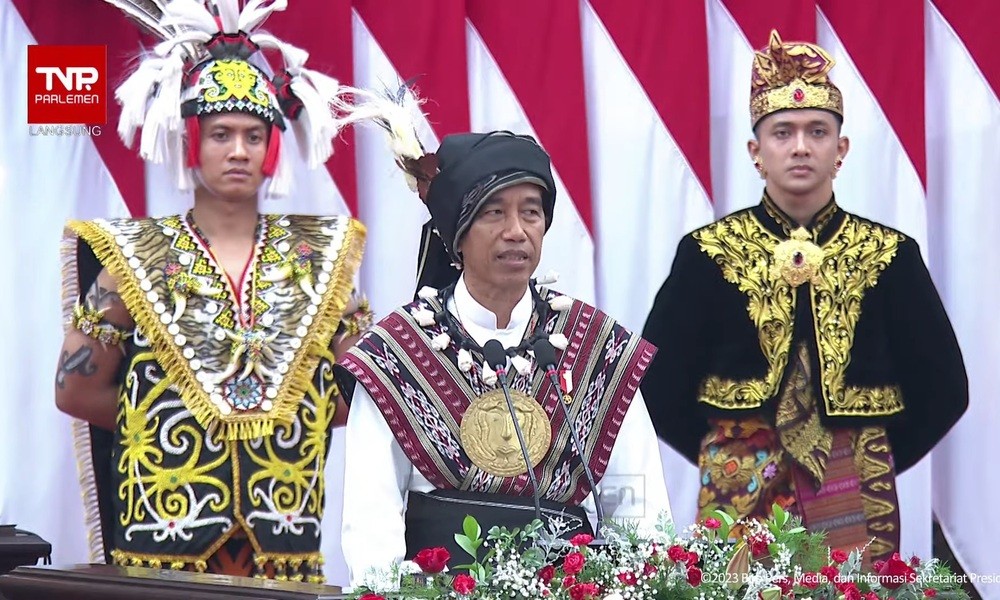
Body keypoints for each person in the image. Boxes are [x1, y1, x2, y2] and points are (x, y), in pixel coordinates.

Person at [54, 0, 371, 581]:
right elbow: (75, 389)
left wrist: (281, 418)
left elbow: (361, 394)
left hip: (284, 543)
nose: (239, 151)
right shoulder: (131, 256)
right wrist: (168, 427)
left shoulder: (321, 258)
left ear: (273, 147)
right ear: (191, 141)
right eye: (221, 134)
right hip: (163, 541)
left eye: (254, 135)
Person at [641, 30, 968, 562]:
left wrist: (877, 457)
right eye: (782, 132)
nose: (800, 147)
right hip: (739, 473)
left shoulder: (888, 254)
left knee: (855, 593)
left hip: (856, 477)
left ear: (841, 149)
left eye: (817, 131)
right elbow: (655, 379)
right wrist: (720, 449)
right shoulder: (709, 253)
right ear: (756, 152)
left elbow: (945, 386)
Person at [337, 128, 671, 583]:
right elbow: (372, 523)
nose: (516, 231)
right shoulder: (396, 354)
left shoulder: (596, 349)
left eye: (531, 211)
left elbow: (639, 513)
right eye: (494, 212)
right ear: (457, 233)